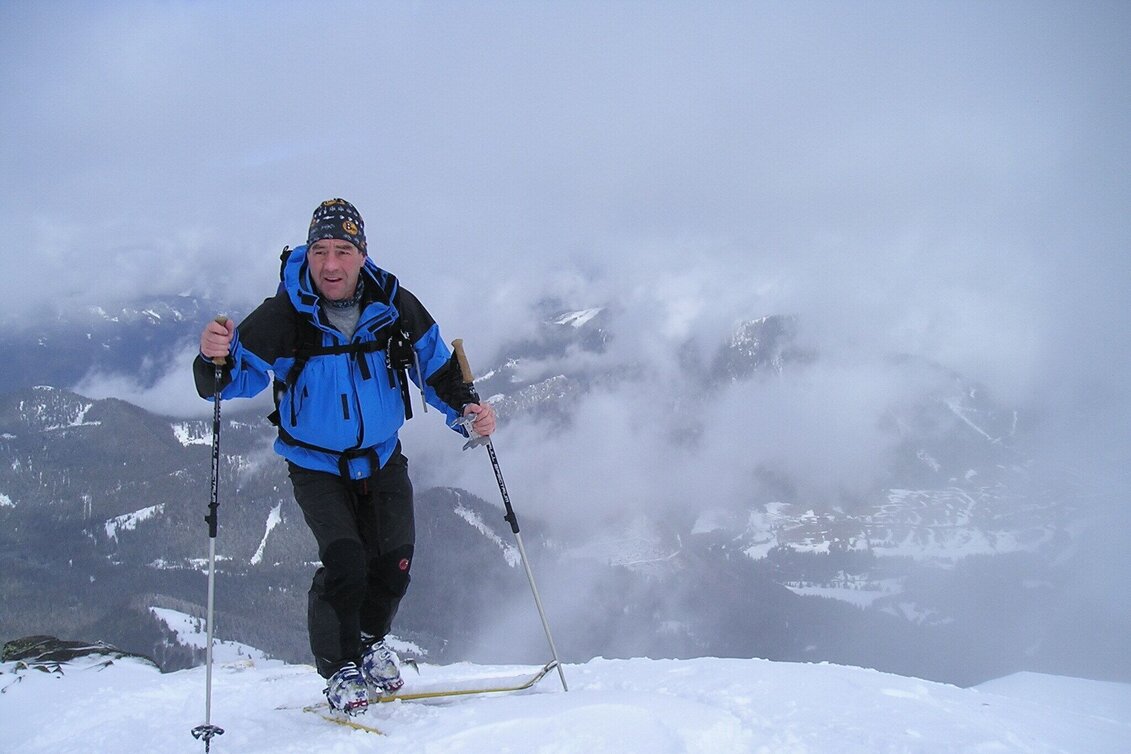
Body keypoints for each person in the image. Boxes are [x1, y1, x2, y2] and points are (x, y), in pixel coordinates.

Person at [194, 198, 495, 715]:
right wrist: (211, 355)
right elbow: (226, 378)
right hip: (315, 463)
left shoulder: (395, 305)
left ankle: (370, 641)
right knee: (346, 561)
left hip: (381, 455)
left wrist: (468, 408)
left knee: (395, 563)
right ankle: (339, 668)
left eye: (342, 250)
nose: (330, 264)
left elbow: (436, 365)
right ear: (307, 254)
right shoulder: (285, 314)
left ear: (362, 254)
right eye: (320, 250)